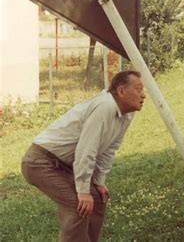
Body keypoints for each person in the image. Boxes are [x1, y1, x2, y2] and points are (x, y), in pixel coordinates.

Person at [21, 70, 146, 242]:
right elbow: (86, 149)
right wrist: (82, 191)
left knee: (97, 198)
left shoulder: (126, 114)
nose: (143, 95)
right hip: (40, 162)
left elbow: (110, 149)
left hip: (63, 164)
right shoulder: (105, 106)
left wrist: (98, 182)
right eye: (138, 89)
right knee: (78, 206)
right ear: (121, 91)